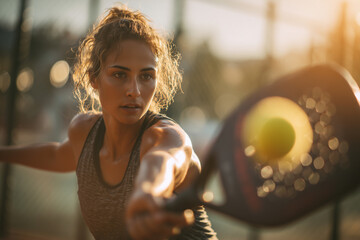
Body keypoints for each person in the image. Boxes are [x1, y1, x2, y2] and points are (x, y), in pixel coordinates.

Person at [0, 4, 217, 240]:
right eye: (119, 74)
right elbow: (58, 154)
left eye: (146, 76)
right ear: (94, 79)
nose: (134, 91)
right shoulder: (84, 132)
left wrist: (147, 193)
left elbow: (162, 163)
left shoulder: (167, 137)